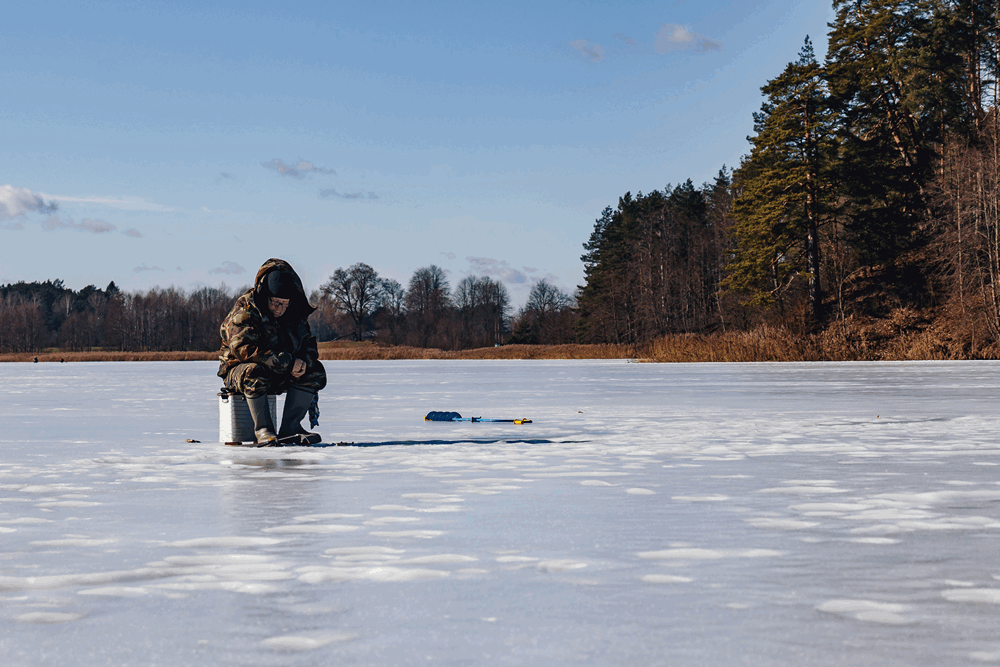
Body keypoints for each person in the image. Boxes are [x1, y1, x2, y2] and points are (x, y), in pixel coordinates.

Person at [217, 258, 327, 445]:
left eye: (285, 304)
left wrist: (302, 362)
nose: (280, 309)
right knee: (254, 371)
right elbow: (243, 349)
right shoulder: (245, 310)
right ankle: (263, 429)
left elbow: (309, 344)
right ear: (265, 295)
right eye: (276, 303)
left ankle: (290, 427)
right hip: (239, 371)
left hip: (281, 370)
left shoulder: (294, 313)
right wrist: (286, 362)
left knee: (315, 371)